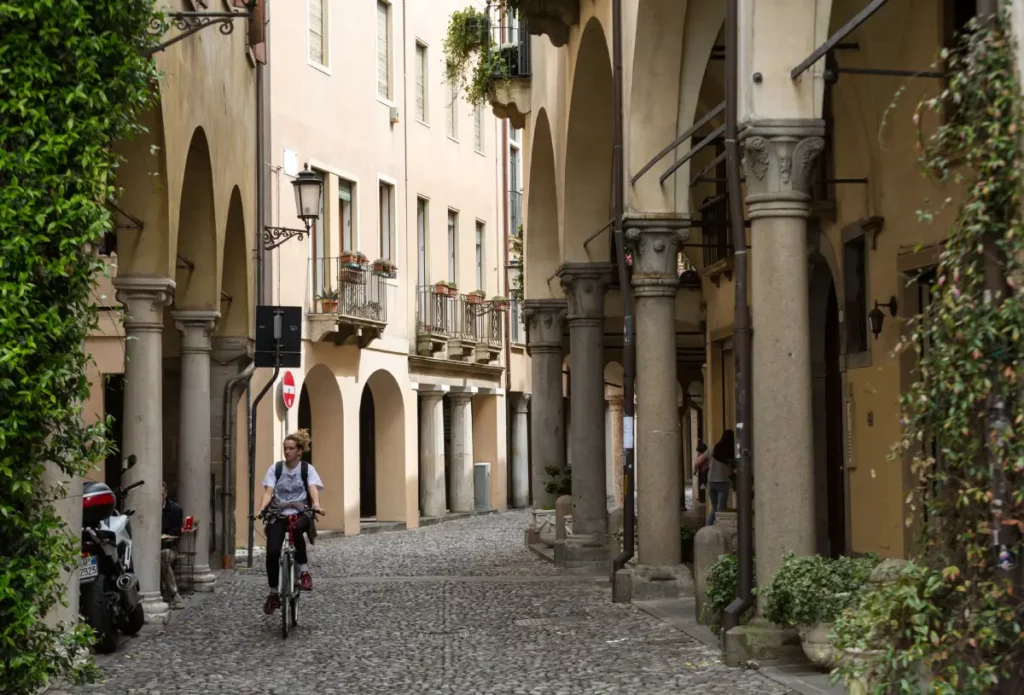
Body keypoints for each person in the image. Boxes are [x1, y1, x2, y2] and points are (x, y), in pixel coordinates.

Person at [257, 429, 323, 615]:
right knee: (271, 552)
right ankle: (272, 593)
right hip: (278, 514)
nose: (287, 452)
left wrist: (316, 505)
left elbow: (312, 488)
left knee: (296, 529)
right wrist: (262, 510)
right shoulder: (276, 469)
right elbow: (269, 492)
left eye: (291, 448)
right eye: (285, 448)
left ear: (300, 451)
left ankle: (304, 572)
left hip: (300, 512)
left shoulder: (306, 469)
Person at [160, 481, 186, 610]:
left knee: (163, 556)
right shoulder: (149, 509)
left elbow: (177, 530)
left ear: (166, 494)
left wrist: (166, 536)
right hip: (149, 549)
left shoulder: (175, 509)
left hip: (169, 548)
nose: (160, 497)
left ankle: (174, 594)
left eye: (162, 494)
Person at [706, 430, 735, 527]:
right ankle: (719, 530)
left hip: (711, 481)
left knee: (714, 507)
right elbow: (733, 466)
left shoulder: (714, 448)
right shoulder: (731, 450)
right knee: (720, 509)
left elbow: (701, 460)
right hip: (723, 482)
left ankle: (708, 527)